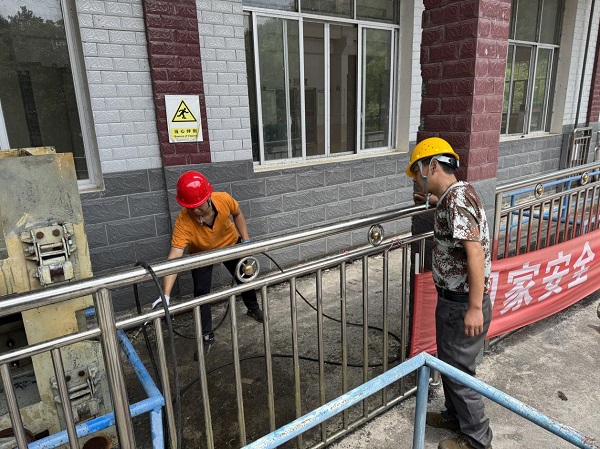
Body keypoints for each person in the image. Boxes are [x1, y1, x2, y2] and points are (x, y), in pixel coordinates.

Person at [406, 137, 493, 449]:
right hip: (453, 301)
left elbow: (474, 252)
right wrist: (431, 199)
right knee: (449, 363)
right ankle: (455, 417)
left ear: (432, 166)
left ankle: (477, 440)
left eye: (417, 173)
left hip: (462, 303)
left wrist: (474, 308)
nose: (416, 180)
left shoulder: (456, 201)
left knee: (459, 372)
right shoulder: (455, 195)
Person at [156, 170, 264, 357]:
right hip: (201, 253)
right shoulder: (183, 221)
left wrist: (246, 241)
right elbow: (174, 256)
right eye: (190, 207)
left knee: (245, 276)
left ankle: (253, 308)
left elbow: (238, 213)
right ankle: (206, 335)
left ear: (207, 197)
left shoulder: (223, 199)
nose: (194, 211)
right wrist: (165, 294)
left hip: (230, 244)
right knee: (201, 293)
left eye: (198, 206)